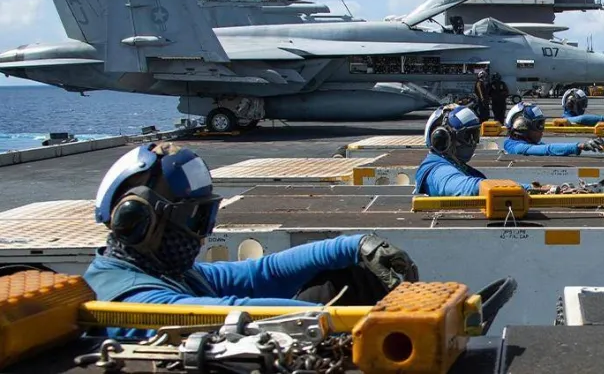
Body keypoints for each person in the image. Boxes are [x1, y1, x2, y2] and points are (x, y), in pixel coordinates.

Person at [85, 142, 418, 341]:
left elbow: (263, 273)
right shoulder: (128, 300)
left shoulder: (170, 273)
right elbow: (225, 315)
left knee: (349, 275)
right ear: (140, 222)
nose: (203, 232)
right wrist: (340, 319)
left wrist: (354, 246)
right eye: (195, 219)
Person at [415, 104, 604, 196]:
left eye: (475, 136)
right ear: (442, 139)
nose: (472, 143)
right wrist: (548, 189)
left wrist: (541, 189)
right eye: (468, 137)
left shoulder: (449, 165)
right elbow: (472, 187)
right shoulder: (438, 171)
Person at [503, 102, 604, 156]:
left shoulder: (525, 144)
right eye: (538, 125)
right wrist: (579, 146)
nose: (542, 130)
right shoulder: (516, 147)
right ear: (522, 127)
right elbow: (547, 149)